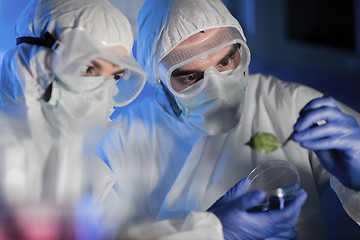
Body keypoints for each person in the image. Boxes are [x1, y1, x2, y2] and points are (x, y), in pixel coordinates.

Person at [96, 0, 360, 239]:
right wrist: (211, 234)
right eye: (190, 77)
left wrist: (357, 178)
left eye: (225, 62)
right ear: (160, 83)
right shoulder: (119, 139)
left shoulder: (290, 105)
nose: (218, 87)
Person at [0, 0, 146, 238]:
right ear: (33, 63)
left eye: (115, 77)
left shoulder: (91, 178)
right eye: (89, 69)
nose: (103, 91)